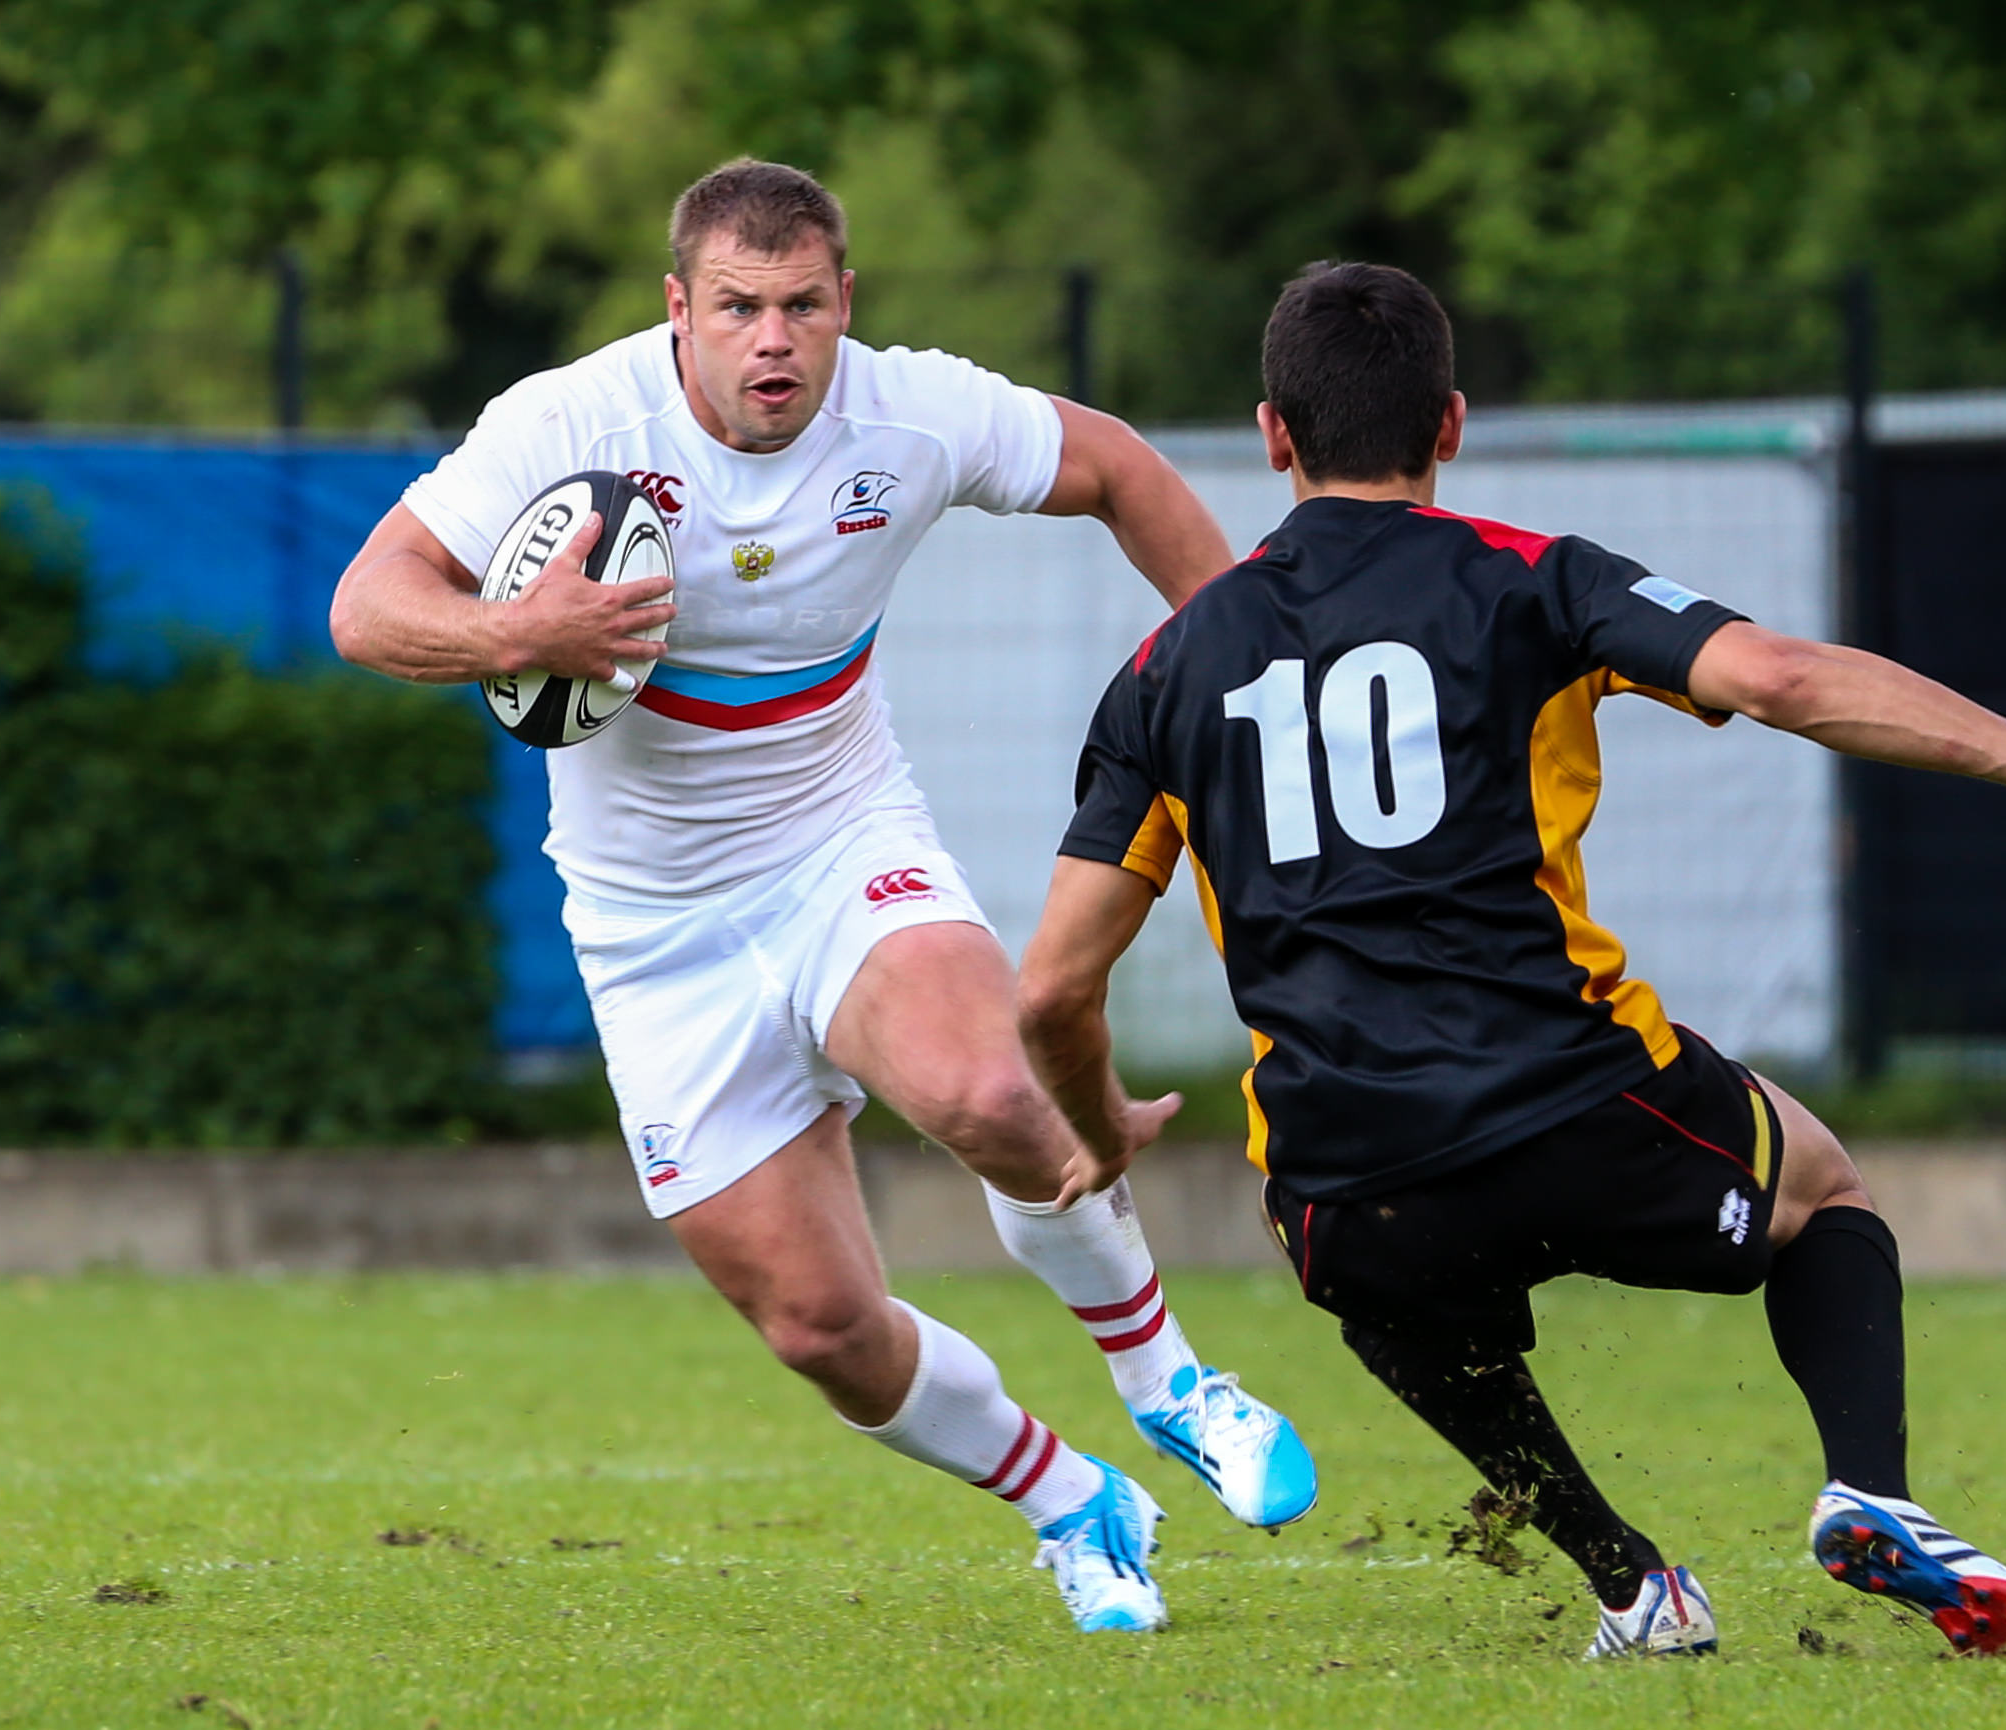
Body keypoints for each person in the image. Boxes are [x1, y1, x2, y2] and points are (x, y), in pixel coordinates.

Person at [1015, 262, 2006, 1659]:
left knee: (1361, 1274)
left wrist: (1098, 1130)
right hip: (1573, 1102)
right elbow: (1782, 680)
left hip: (1352, 1173)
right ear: (1452, 423)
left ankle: (1630, 1583)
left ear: (1273, 434)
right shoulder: (1531, 578)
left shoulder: (1164, 670)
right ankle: (1871, 1489)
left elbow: (1051, 987)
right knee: (1821, 1186)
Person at [328, 159, 1316, 1636]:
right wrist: (515, 630)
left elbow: (1120, 469)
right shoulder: (570, 423)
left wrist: (1250, 680)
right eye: (738, 307)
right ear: (679, 308)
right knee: (820, 1326)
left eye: (803, 305)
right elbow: (366, 605)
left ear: (846, 301)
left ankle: (1169, 1380)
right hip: (650, 929)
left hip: (839, 841)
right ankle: (1072, 1499)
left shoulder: (908, 413)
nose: (774, 340)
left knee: (991, 1089)